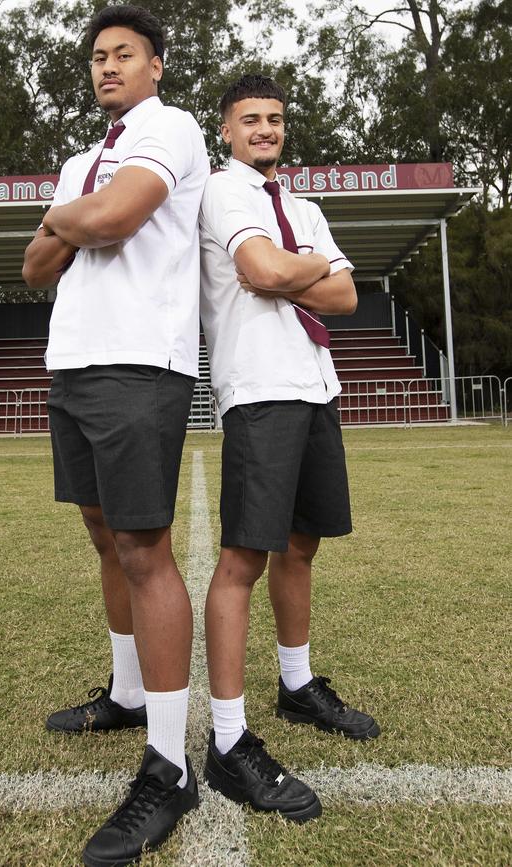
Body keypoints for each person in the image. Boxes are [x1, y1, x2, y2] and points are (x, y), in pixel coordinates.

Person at [22, 6, 209, 865]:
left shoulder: (170, 128)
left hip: (141, 362)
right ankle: (129, 695)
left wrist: (74, 218)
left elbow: (107, 223)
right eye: (96, 57)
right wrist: (78, 213)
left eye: (122, 55)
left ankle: (169, 765)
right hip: (76, 362)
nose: (105, 67)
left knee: (143, 547)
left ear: (157, 66)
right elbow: (34, 268)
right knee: (102, 535)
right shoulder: (77, 160)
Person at [198, 74, 380, 824]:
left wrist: (289, 267)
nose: (266, 130)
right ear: (228, 129)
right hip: (259, 388)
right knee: (245, 556)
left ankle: (298, 685)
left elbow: (347, 297)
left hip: (315, 383)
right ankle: (229, 739)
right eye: (251, 119)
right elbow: (262, 271)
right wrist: (306, 264)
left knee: (303, 545)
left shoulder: (303, 206)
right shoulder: (222, 191)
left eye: (275, 118)